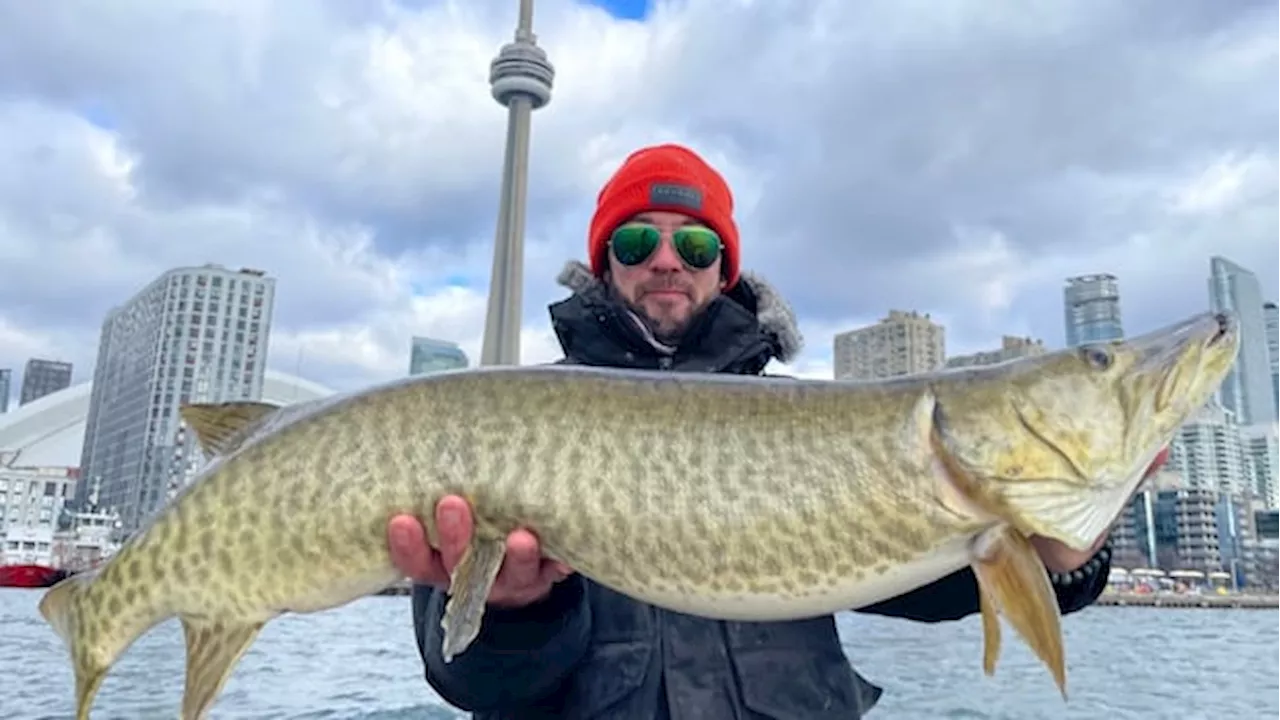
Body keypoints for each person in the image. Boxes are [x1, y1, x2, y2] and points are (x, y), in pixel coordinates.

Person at [385, 143, 1137, 718]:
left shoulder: (816, 428)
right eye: (639, 242)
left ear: (725, 268)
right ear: (604, 263)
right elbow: (465, 675)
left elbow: (934, 581)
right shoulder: (507, 425)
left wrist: (1058, 556)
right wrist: (521, 610)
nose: (669, 261)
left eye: (698, 245)